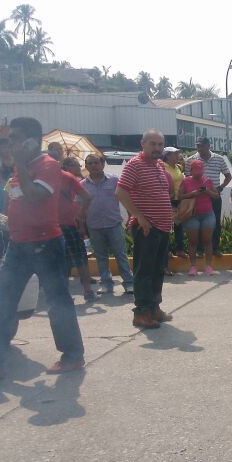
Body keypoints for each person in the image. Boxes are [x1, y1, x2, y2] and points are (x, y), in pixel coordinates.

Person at [0, 117, 86, 379]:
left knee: (58, 302)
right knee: (2, 302)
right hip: (19, 245)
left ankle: (73, 356)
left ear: (31, 141)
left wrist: (19, 165)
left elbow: (34, 195)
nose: (10, 144)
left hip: (45, 244)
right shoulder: (22, 168)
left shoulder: (48, 165)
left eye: (15, 138)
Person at [115, 129, 175, 329]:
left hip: (162, 227)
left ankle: (154, 308)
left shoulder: (158, 165)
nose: (157, 148)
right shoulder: (135, 165)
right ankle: (141, 312)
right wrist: (139, 216)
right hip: (147, 227)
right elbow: (120, 192)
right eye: (153, 144)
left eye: (160, 144)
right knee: (144, 271)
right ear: (143, 144)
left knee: (158, 270)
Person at [82, 154, 133, 296]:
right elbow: (79, 206)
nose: (93, 166)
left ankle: (129, 283)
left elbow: (125, 198)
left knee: (121, 255)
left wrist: (131, 215)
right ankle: (106, 284)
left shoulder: (114, 180)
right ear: (86, 167)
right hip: (94, 226)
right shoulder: (82, 185)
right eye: (90, 163)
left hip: (114, 224)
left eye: (96, 163)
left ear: (102, 164)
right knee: (101, 257)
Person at [185, 137, 231, 257]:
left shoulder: (219, 159)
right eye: (197, 146)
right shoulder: (191, 160)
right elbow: (187, 179)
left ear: (208, 146)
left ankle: (215, 248)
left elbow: (228, 176)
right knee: (197, 222)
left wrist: (220, 188)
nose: (199, 148)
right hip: (197, 197)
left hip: (214, 196)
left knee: (215, 222)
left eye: (201, 146)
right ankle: (200, 250)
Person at [58, 157, 95, 301]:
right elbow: (87, 197)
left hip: (66, 224)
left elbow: (86, 198)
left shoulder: (66, 178)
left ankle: (83, 291)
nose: (78, 167)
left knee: (75, 258)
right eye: (75, 165)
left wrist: (81, 213)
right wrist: (82, 212)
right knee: (76, 259)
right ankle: (85, 291)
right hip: (63, 224)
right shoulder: (67, 177)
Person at [178, 159, 220, 276]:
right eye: (196, 172)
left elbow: (216, 195)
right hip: (192, 214)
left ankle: (209, 266)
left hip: (207, 213)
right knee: (193, 241)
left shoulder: (207, 180)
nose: (198, 174)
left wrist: (207, 191)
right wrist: (193, 194)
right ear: (191, 170)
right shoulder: (186, 181)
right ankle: (193, 266)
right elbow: (179, 196)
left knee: (207, 240)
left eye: (200, 172)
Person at [161, 147, 187, 262]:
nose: (178, 156)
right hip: (168, 201)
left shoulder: (178, 167)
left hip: (179, 200)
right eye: (175, 154)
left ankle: (179, 249)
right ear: (167, 156)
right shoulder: (162, 167)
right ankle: (166, 251)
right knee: (167, 228)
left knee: (178, 226)